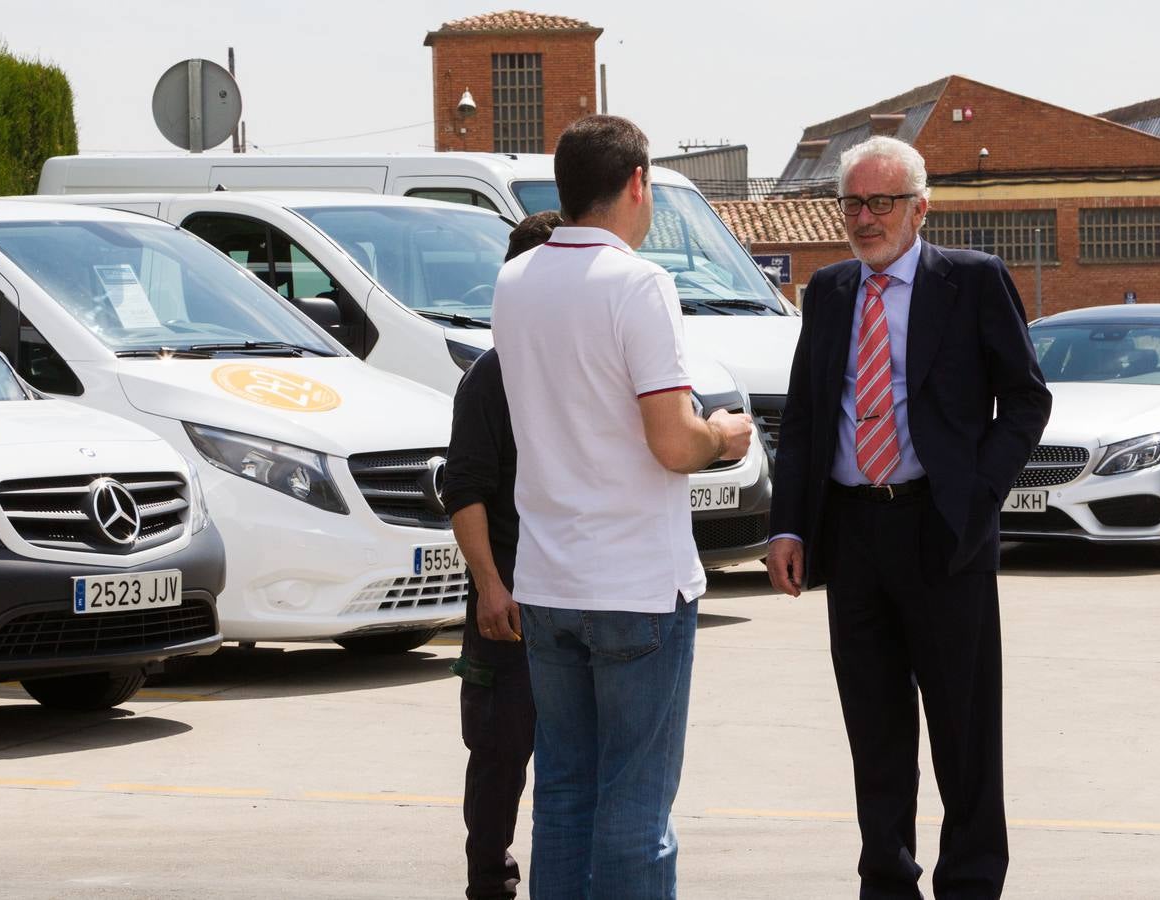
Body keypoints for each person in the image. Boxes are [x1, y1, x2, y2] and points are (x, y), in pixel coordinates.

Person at [765, 135, 1052, 899]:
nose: (864, 218)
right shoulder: (826, 293)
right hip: (852, 535)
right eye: (852, 203)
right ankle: (886, 879)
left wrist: (977, 493)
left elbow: (1027, 399)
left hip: (942, 532)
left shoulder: (973, 281)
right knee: (875, 727)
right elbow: (804, 421)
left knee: (963, 729)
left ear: (920, 208)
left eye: (880, 202)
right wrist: (788, 527)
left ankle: (971, 881)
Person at [491, 114, 755, 899]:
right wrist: (725, 435)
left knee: (565, 794)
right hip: (637, 584)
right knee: (638, 805)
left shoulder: (515, 281)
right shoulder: (639, 282)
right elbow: (673, 442)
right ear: (637, 183)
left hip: (547, 580)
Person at [444, 210, 563, 900]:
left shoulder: (580, 365)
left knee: (573, 763)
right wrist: (490, 585)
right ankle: (489, 881)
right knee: (498, 754)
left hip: (577, 595)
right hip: (510, 603)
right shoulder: (492, 378)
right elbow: (464, 489)